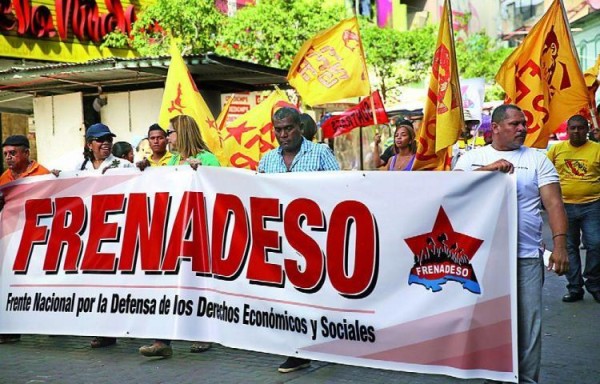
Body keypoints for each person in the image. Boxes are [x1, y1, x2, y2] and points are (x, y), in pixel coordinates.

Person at [454, 104, 569, 384]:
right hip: (482, 260)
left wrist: (561, 245)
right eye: (515, 124)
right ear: (495, 127)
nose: (522, 129)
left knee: (528, 325)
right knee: (489, 325)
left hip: (526, 256)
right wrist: (487, 171)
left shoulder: (538, 159)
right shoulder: (472, 159)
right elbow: (450, 192)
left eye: (524, 124)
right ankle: (494, 377)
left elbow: (554, 203)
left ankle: (527, 380)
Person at [258, 106, 339, 373]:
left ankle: (328, 340)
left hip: (316, 239)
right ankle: (298, 350)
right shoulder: (267, 160)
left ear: (300, 128)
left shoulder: (320, 153)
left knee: (317, 295)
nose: (283, 134)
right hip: (281, 241)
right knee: (288, 297)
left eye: (288, 128)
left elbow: (340, 191)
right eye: (278, 130)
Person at [138, 117, 219, 358]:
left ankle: (202, 335)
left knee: (197, 286)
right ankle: (162, 341)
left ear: (182, 133)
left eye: (170, 132)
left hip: (200, 232)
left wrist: (201, 172)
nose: (168, 137)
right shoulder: (172, 161)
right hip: (174, 232)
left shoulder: (207, 159)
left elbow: (218, 192)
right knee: (169, 285)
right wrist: (145, 172)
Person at [0, 135, 51, 344]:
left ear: (27, 153)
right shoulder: (4, 179)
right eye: (5, 154)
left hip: (39, 240)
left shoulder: (43, 174)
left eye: (13, 153)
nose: (9, 158)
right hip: (12, 242)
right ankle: (11, 329)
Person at [547, 115, 600, 303]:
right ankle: (575, 288)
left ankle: (593, 282)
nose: (576, 131)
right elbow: (545, 174)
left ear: (587, 130)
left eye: (580, 128)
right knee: (569, 247)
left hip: (592, 205)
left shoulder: (597, 149)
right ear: (567, 130)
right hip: (563, 206)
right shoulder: (556, 150)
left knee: (596, 244)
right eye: (573, 128)